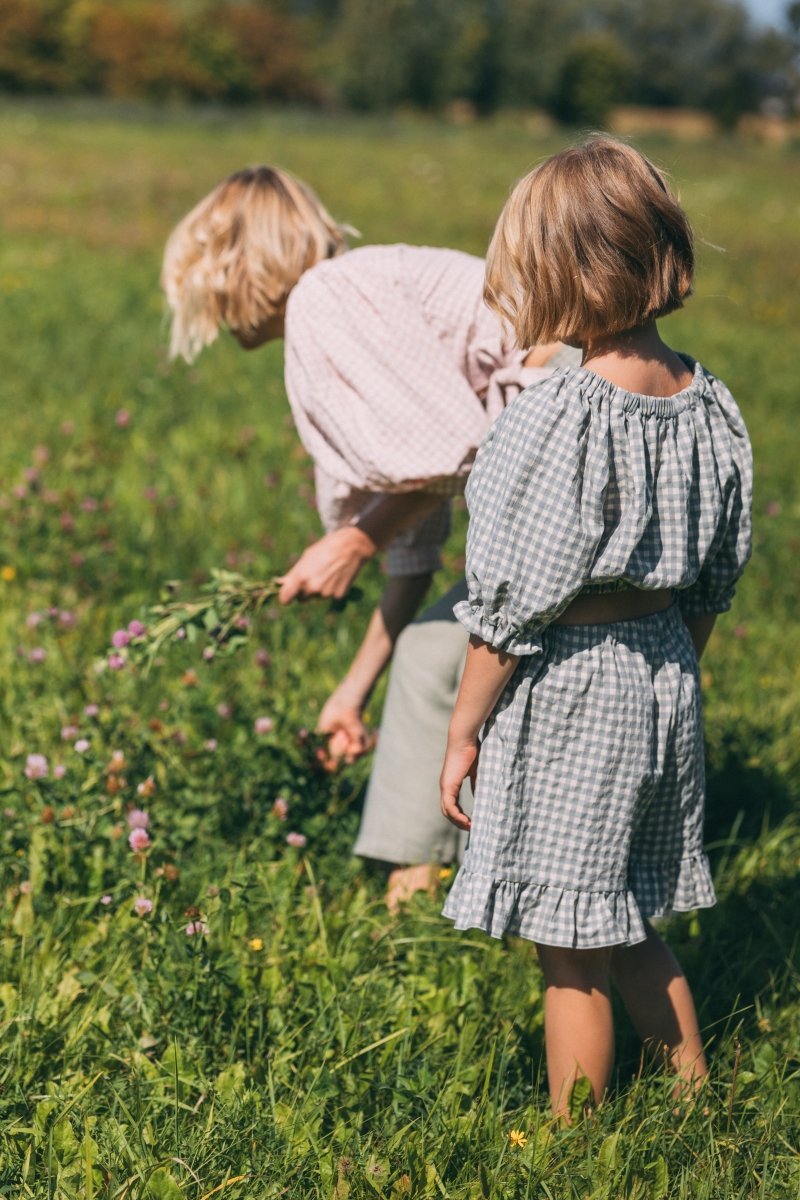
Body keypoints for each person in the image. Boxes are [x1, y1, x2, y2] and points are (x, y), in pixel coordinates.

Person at [439, 136, 753, 1118]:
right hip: (661, 669)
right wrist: (669, 675)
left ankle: (577, 1142)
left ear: (555, 279)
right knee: (622, 914)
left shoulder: (557, 415)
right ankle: (690, 1096)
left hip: (568, 685)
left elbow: (506, 605)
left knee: (568, 943)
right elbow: (711, 579)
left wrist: (460, 733)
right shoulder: (708, 403)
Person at [161, 165, 572, 908]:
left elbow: (451, 453)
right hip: (559, 432)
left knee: (442, 655)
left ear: (235, 267)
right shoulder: (345, 301)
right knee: (435, 652)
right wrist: (349, 696)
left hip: (565, 418)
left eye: (205, 283)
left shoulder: (330, 297)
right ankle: (442, 881)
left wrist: (353, 543)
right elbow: (412, 551)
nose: (211, 313)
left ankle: (420, 893)